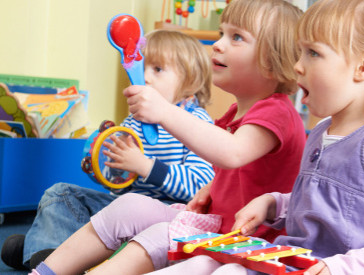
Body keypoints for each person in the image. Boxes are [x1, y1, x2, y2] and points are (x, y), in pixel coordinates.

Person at [150, 0, 364, 274]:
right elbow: (317, 199)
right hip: (298, 261)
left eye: (313, 53)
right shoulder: (322, 132)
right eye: (300, 53)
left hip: (342, 269)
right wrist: (275, 203)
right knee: (214, 267)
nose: (297, 65)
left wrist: (344, 268)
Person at [30, 1, 306, 274]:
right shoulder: (235, 112)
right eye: (221, 33)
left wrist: (163, 112)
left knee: (160, 233)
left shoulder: (278, 111)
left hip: (249, 246)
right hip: (213, 225)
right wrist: (212, 188)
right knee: (129, 206)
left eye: (236, 37)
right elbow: (239, 168)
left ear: (272, 62)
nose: (219, 44)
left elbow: (232, 153)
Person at [0, 29, 216, 271]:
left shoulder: (198, 123)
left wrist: (146, 167)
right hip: (122, 213)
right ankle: (47, 251)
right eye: (141, 67)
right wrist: (110, 171)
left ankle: (39, 250)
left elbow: (199, 188)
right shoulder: (134, 121)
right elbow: (120, 185)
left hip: (165, 219)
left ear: (191, 80)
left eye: (157, 69)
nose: (144, 76)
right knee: (60, 193)